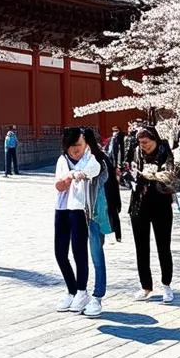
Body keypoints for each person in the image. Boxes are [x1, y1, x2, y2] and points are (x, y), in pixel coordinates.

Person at [54, 126, 100, 314]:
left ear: (85, 143)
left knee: (79, 252)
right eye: (71, 145)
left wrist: (76, 174)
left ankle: (82, 291)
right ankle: (71, 290)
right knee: (60, 252)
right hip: (62, 209)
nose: (75, 149)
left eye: (78, 145)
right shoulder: (62, 160)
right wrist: (66, 179)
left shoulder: (91, 160)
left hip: (80, 210)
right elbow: (58, 185)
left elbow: (92, 171)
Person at [128, 127, 176, 302]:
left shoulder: (165, 152)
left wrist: (152, 175)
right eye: (140, 143)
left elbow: (170, 175)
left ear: (154, 140)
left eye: (146, 143)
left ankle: (166, 285)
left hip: (161, 204)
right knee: (141, 248)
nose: (143, 146)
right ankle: (145, 286)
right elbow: (130, 171)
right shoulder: (136, 152)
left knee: (163, 246)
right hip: (139, 204)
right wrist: (130, 176)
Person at [82, 128, 112, 318]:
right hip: (78, 214)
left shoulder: (98, 160)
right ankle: (80, 293)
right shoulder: (73, 159)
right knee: (80, 254)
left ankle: (97, 295)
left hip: (94, 213)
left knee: (96, 255)